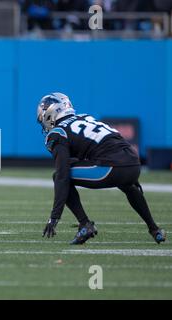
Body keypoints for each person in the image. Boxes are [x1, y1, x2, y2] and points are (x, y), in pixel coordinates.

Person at [37, 92, 166, 245]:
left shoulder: (58, 133)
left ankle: (85, 224)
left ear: (51, 112)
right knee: (128, 185)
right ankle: (154, 229)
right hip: (133, 162)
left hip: (110, 167)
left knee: (59, 175)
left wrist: (54, 216)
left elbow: (62, 175)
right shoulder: (85, 117)